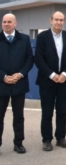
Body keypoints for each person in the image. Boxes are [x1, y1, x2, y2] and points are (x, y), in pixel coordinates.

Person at [35, 11, 66, 151]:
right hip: (47, 81)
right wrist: (52, 75)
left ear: (64, 21)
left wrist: (64, 74)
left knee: (62, 111)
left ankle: (61, 138)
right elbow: (38, 58)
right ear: (51, 20)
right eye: (56, 19)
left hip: (64, 81)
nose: (59, 22)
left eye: (61, 20)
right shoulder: (42, 36)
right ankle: (46, 140)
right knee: (47, 112)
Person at [0, 14, 34, 154]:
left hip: (19, 83)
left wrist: (20, 74)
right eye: (4, 22)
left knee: (18, 116)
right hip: (1, 84)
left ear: (15, 23)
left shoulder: (24, 39)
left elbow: (29, 59)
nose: (6, 24)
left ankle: (18, 143)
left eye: (9, 22)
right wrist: (3, 77)